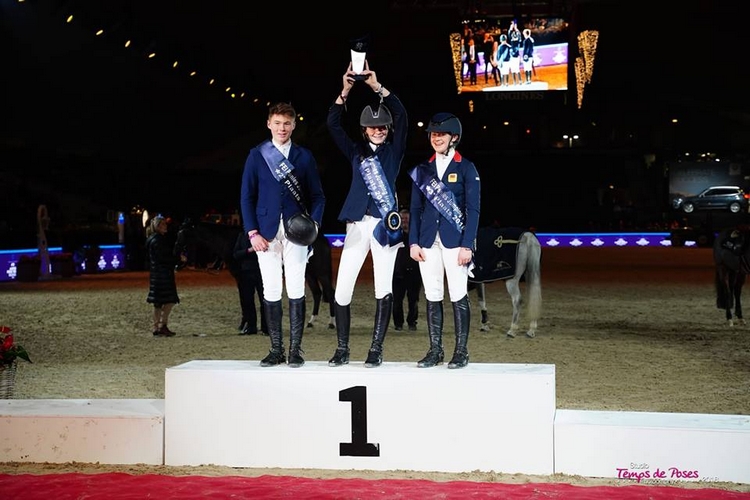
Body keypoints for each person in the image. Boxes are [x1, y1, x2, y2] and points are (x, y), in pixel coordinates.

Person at [326, 61, 408, 368]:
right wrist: (345, 91)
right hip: (357, 225)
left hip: (385, 225)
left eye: (383, 127)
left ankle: (376, 349)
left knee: (383, 286)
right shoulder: (355, 151)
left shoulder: (395, 150)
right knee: (343, 286)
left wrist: (377, 86)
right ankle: (343, 348)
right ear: (364, 130)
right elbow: (333, 125)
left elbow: (402, 114)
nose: (379, 130)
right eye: (373, 127)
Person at [240, 102, 326, 368]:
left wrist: (314, 226)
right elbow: (247, 197)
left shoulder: (304, 156)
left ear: (294, 125)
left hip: (296, 234)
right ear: (269, 124)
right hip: (265, 234)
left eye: (287, 123)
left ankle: (296, 350)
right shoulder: (257, 155)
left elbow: (318, 196)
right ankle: (276, 349)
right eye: (277, 123)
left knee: (297, 287)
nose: (282, 128)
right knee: (271, 289)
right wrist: (252, 232)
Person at [407, 113, 480, 369]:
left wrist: (467, 244)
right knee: (432, 295)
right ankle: (435, 350)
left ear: (454, 138)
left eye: (441, 134)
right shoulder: (423, 169)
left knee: (458, 294)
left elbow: (473, 210)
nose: (436, 138)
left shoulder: (466, 167)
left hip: (455, 242)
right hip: (427, 242)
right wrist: (413, 242)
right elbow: (415, 210)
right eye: (433, 134)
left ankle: (461, 351)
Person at [145, 215, 180, 337]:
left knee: (158, 302)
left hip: (156, 274)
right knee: (170, 300)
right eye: (164, 224)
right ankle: (162, 324)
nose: (166, 226)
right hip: (163, 274)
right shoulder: (159, 240)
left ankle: (156, 326)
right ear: (158, 226)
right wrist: (177, 258)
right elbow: (165, 258)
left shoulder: (151, 239)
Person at [232, 230, 267, 336]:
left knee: (264, 300)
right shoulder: (242, 235)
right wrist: (248, 251)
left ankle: (266, 327)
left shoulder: (263, 234)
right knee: (248, 301)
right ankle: (251, 326)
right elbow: (236, 254)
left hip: (261, 271)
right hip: (246, 272)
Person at [392, 208, 421, 332]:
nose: (404, 221)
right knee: (397, 300)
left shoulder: (417, 236)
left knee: (413, 300)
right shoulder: (394, 235)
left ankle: (412, 322)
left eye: (406, 219)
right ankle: (398, 323)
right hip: (398, 273)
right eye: (402, 218)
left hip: (414, 272)